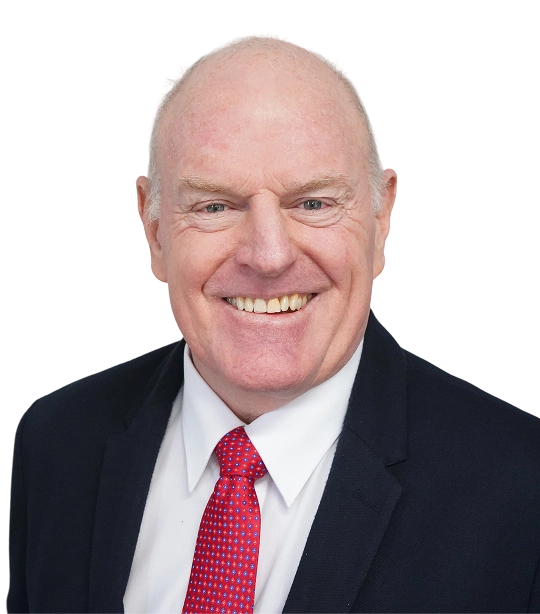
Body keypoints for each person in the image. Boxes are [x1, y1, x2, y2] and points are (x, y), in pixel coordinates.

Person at [8, 32, 540, 614]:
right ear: (154, 231)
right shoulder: (58, 442)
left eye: (313, 203)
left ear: (382, 216)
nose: (268, 256)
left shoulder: (521, 487)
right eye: (215, 206)